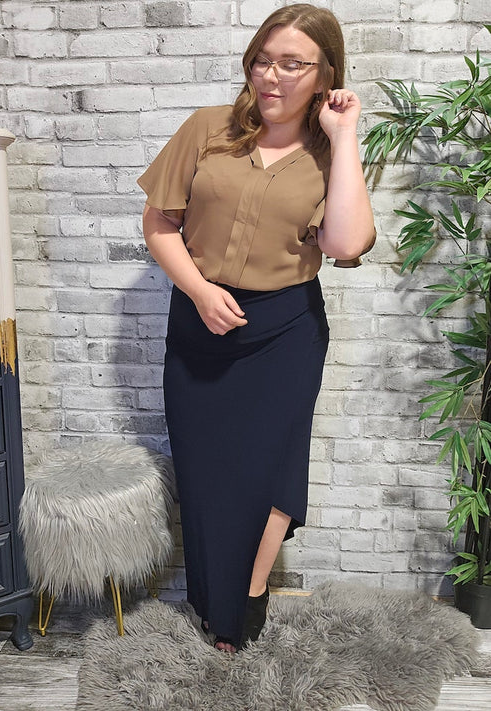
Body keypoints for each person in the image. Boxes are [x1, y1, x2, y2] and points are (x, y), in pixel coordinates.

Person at [137, 3, 375, 654]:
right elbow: (159, 221)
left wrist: (345, 135)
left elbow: (346, 244)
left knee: (273, 468)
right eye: (263, 60)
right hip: (200, 322)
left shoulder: (330, 154)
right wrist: (198, 289)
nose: (271, 76)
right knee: (207, 471)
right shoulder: (206, 129)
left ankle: (245, 601)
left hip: (285, 331)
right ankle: (213, 600)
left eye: (292, 64)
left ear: (326, 74)